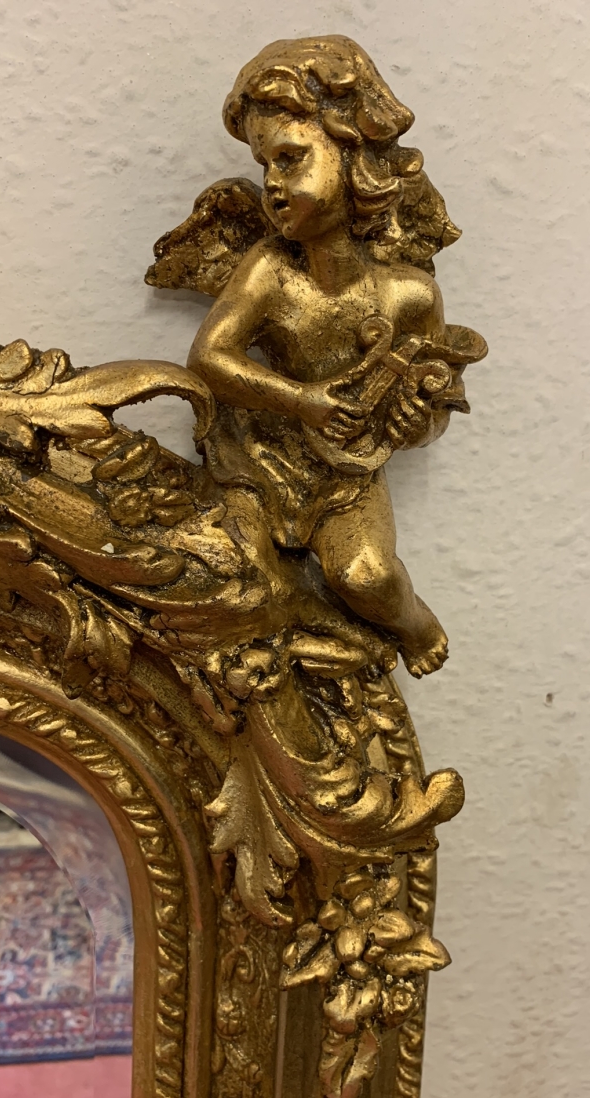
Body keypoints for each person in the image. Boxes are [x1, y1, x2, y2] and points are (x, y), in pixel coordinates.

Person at [188, 35, 461, 677]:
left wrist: (415, 422)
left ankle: (414, 626)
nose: (273, 184)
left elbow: (436, 409)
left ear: (356, 160)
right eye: (265, 166)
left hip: (346, 470)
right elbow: (209, 356)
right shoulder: (269, 270)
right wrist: (301, 401)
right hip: (262, 455)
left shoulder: (410, 295)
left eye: (290, 159)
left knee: (366, 576)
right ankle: (307, 641)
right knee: (234, 570)